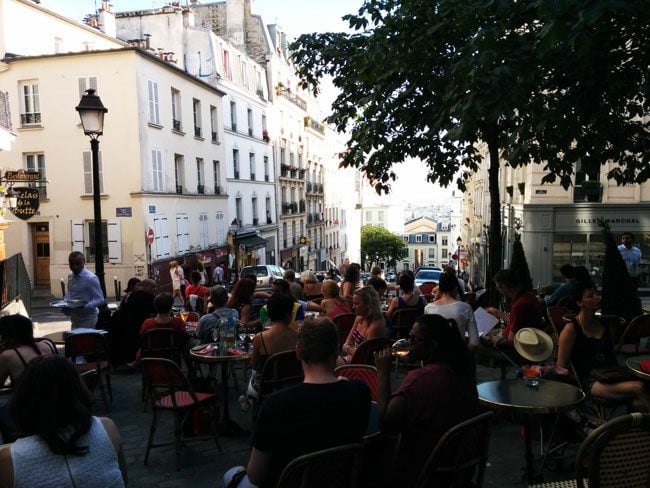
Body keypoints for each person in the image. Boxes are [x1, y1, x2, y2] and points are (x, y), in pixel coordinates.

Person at [224, 317, 370, 488]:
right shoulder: (360, 392)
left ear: (298, 352)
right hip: (341, 480)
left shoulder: (277, 405)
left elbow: (255, 476)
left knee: (231, 475)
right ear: (336, 351)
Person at [374, 314, 478, 487]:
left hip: (424, 469)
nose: (408, 342)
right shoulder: (463, 371)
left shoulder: (420, 381)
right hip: (458, 465)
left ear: (432, 346)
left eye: (414, 338)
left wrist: (383, 374)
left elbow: (386, 423)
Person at [0, 355, 127, 488]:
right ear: (79, 390)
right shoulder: (108, 428)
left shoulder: (9, 462)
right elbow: (124, 480)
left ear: (24, 400)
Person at [557, 281, 650, 412]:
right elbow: (561, 366)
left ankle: (632, 429)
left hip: (611, 375)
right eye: (590, 296)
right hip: (589, 382)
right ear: (579, 303)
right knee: (638, 387)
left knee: (639, 401)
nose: (597, 297)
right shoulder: (571, 329)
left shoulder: (604, 325)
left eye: (597, 294)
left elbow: (611, 355)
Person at [0, 315, 57, 442]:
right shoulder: (47, 344)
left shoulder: (9, 355)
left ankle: (11, 447)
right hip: (56, 401)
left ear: (7, 336)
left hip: (28, 410)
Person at [238, 293, 299, 412]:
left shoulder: (260, 338)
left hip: (267, 386)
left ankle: (248, 398)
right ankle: (247, 398)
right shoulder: (299, 336)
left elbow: (254, 365)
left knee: (254, 377)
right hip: (294, 383)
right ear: (288, 314)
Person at [485, 269, 546, 345]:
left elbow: (511, 340)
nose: (499, 291)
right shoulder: (529, 296)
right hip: (529, 335)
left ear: (504, 286)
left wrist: (492, 339)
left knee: (479, 337)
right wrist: (497, 312)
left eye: (498, 288)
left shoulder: (519, 305)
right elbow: (516, 320)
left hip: (515, 341)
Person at [425, 271, 479, 350]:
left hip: (435, 357)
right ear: (456, 288)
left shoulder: (428, 308)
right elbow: (474, 343)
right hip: (457, 357)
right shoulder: (466, 308)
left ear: (440, 288)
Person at [340, 286, 386, 363]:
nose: (353, 307)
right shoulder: (359, 318)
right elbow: (347, 343)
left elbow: (365, 357)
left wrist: (348, 349)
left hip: (361, 367)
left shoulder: (375, 326)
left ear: (369, 305)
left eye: (357, 304)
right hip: (350, 359)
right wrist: (350, 349)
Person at [64, 251, 105, 329]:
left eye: (78, 264)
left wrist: (85, 306)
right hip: (74, 317)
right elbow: (70, 293)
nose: (74, 267)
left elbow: (100, 299)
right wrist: (65, 304)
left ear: (83, 263)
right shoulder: (70, 275)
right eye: (71, 264)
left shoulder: (91, 278)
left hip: (88, 318)